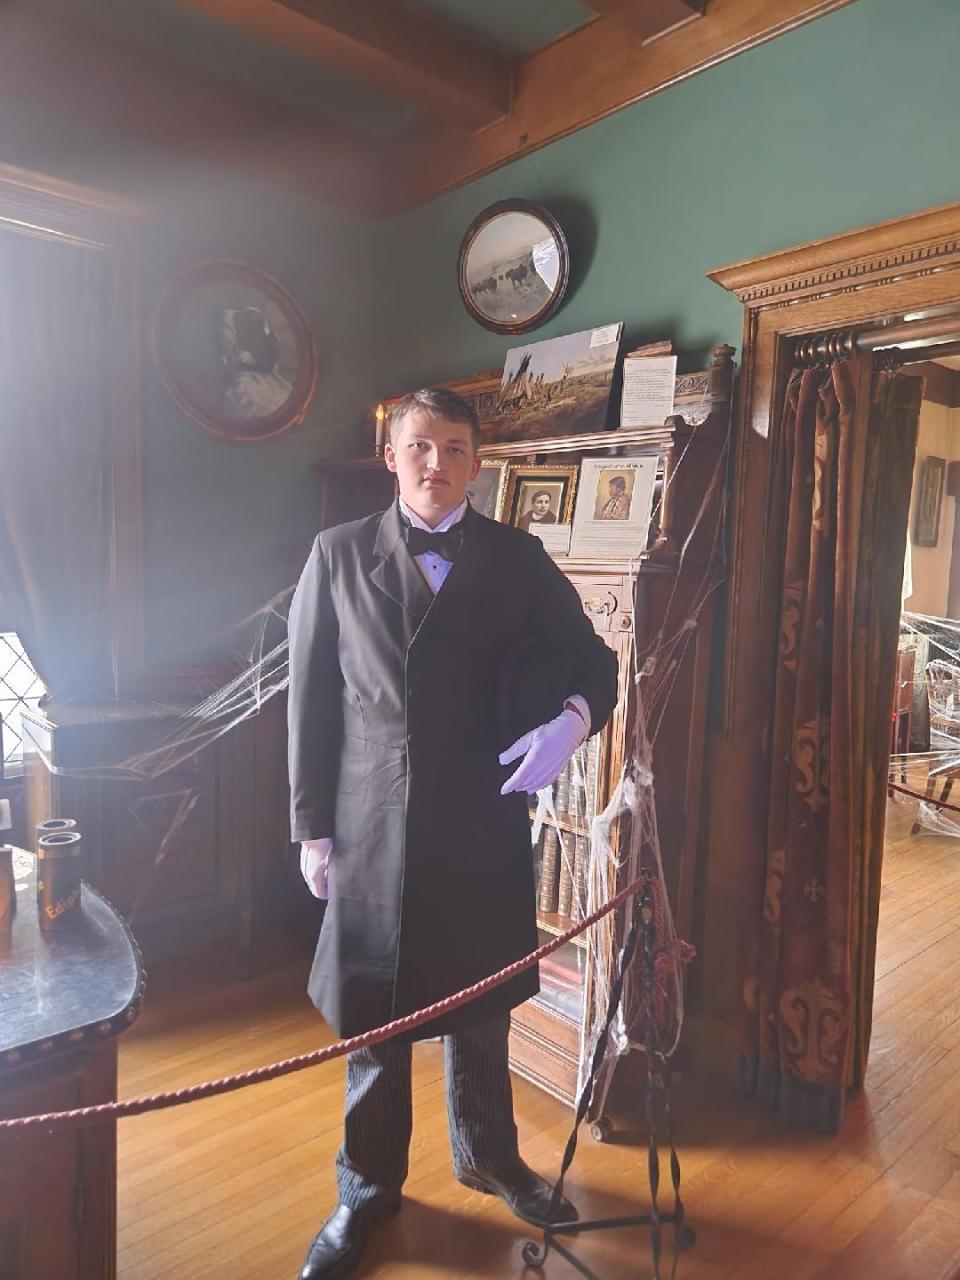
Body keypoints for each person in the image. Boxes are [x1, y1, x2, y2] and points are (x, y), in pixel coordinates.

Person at [287, 387, 618, 1279]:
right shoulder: (337, 554)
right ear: (392, 456)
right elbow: (310, 699)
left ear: (478, 462)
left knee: (481, 1011)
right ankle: (365, 1187)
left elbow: (595, 658)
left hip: (482, 814)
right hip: (370, 822)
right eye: (420, 447)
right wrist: (312, 828)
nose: (437, 464)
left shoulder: (519, 558)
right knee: (376, 1018)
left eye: (456, 449)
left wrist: (573, 723)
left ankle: (490, 1157)